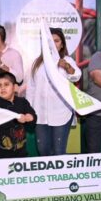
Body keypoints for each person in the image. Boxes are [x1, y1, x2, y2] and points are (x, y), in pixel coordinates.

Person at [26, 27, 81, 156]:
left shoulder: (67, 61)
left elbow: (76, 76)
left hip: (61, 112)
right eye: (49, 41)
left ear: (62, 44)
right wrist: (29, 110)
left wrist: (67, 67)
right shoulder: (37, 63)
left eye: (56, 41)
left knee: (58, 151)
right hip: (40, 113)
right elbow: (31, 89)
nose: (52, 44)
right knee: (43, 150)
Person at [0, 72, 36, 159]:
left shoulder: (22, 102)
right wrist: (16, 118)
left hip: (21, 153)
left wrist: (30, 117)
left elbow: (32, 121)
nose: (2, 88)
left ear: (15, 87)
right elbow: (0, 123)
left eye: (6, 84)